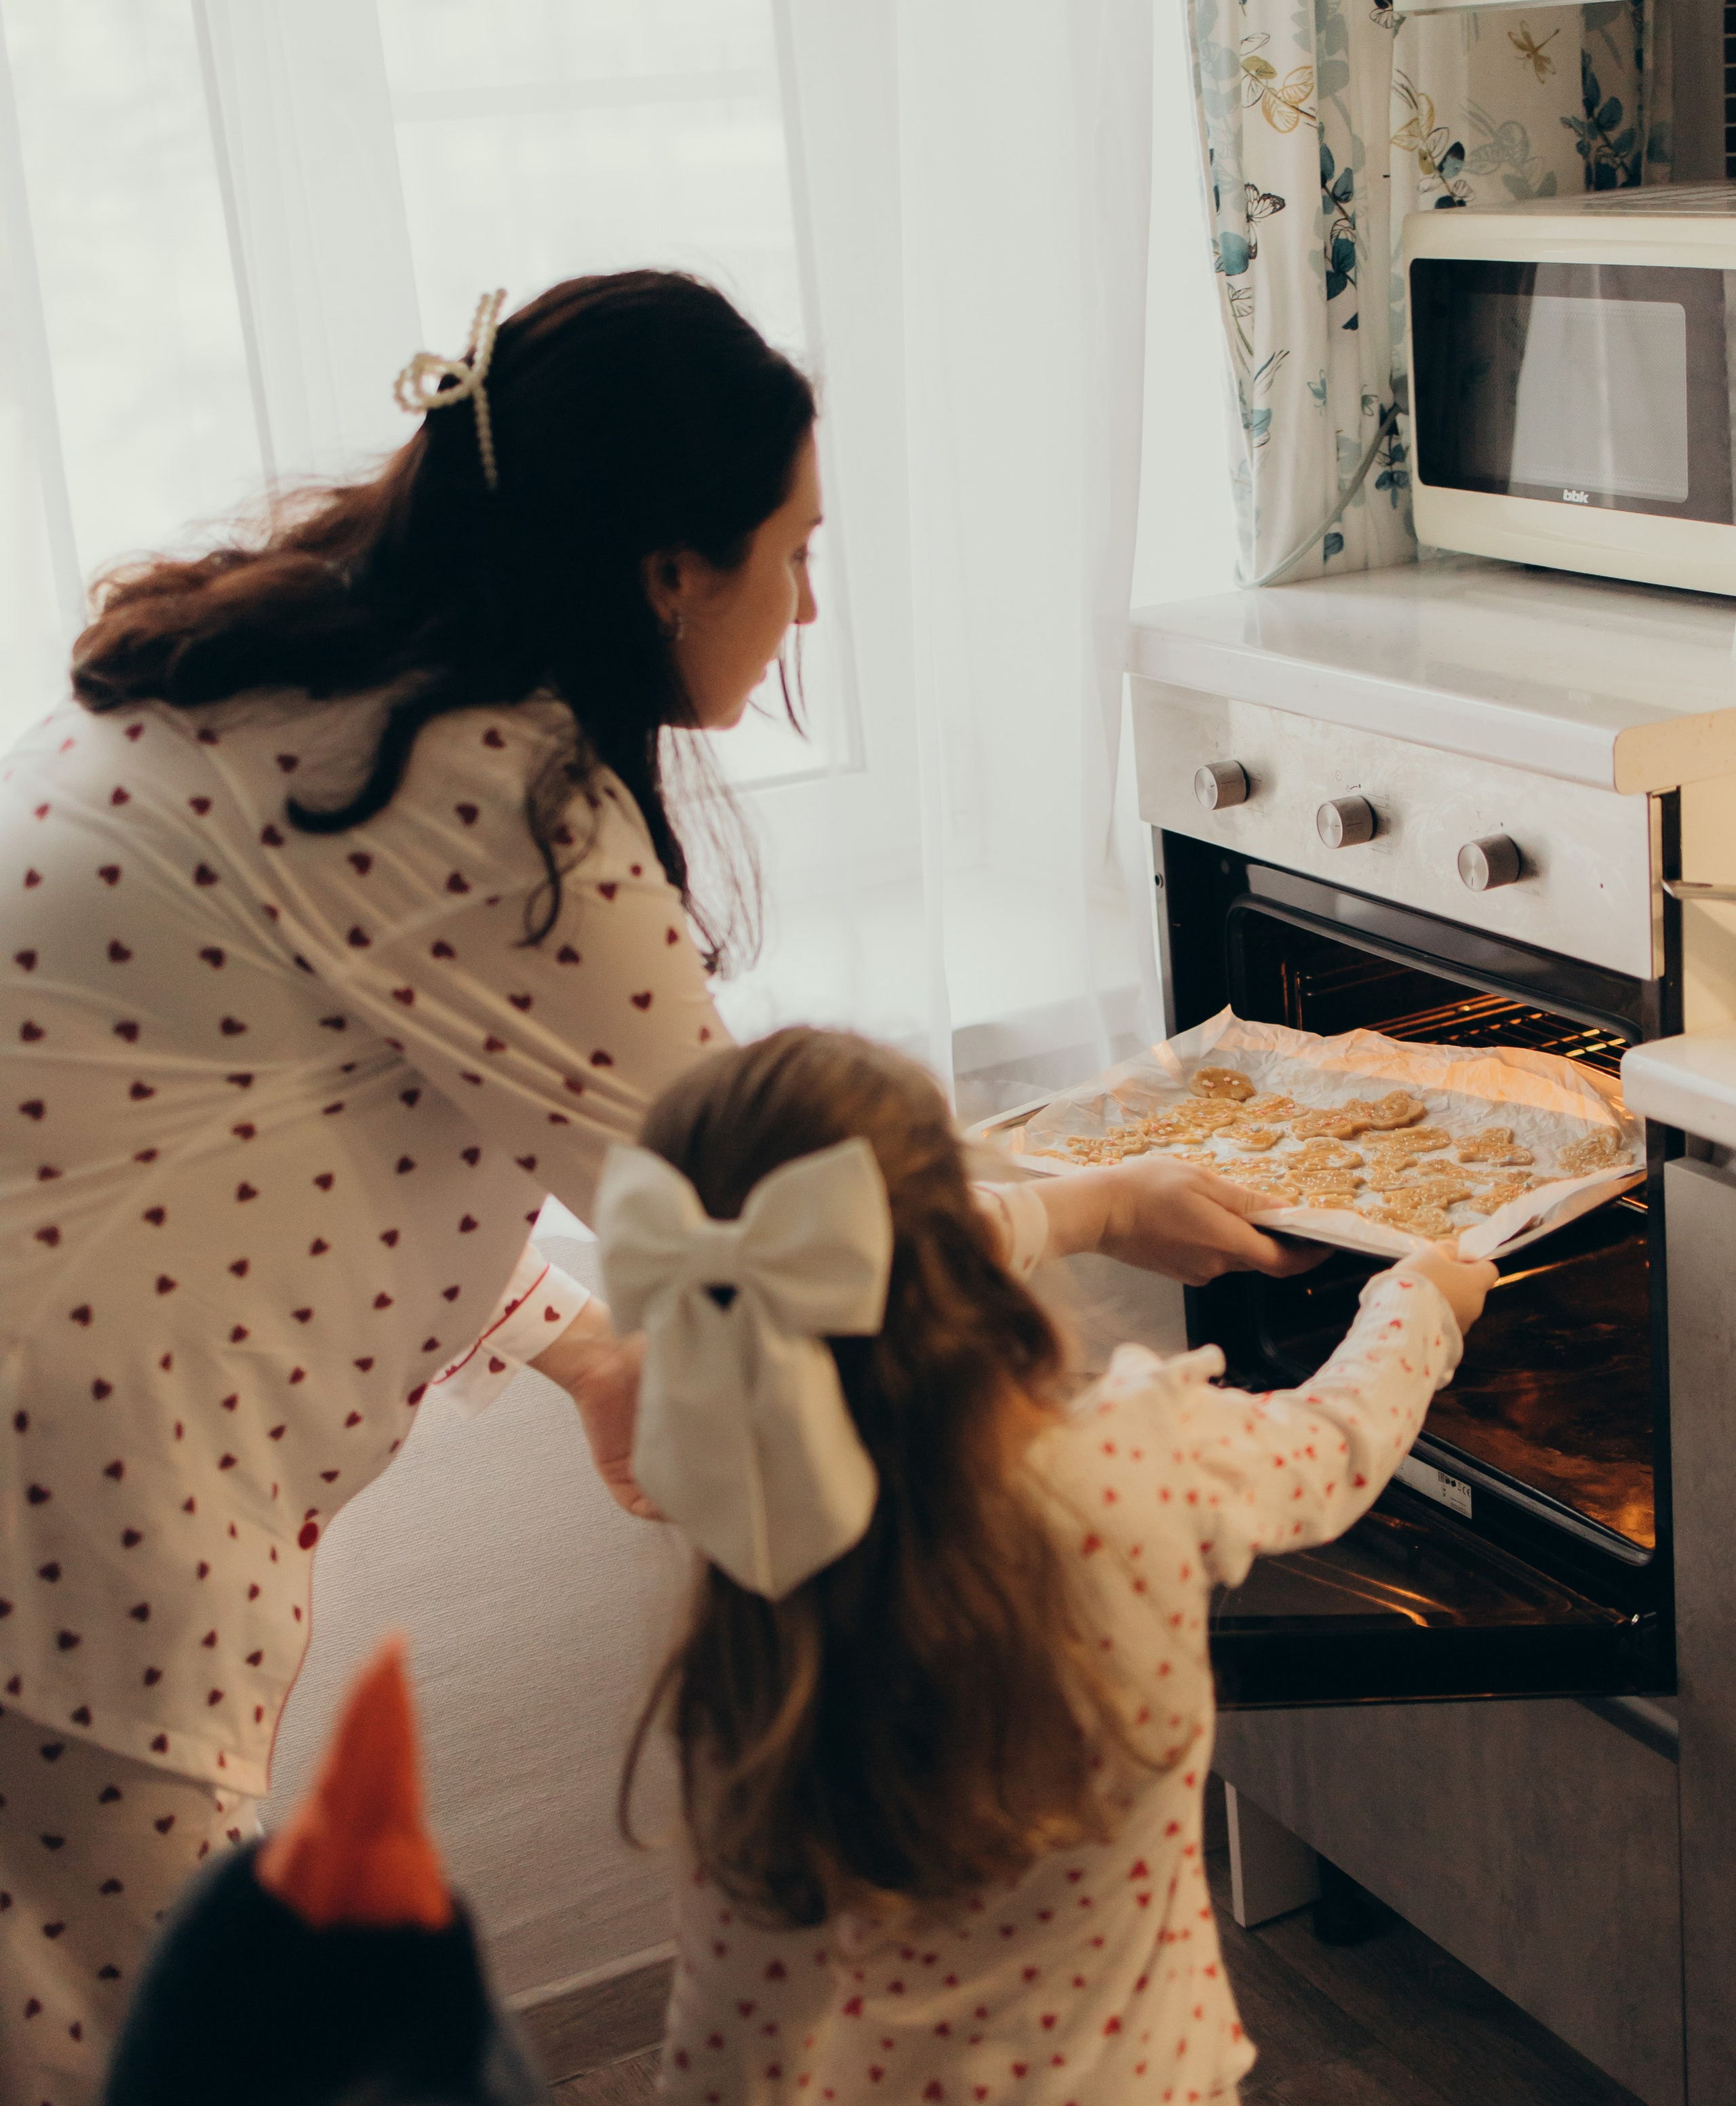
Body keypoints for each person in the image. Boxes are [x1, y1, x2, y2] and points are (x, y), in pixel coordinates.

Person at [0, 270, 1307, 2105]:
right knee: (156, 2044)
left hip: (81, 1455)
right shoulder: (489, 790)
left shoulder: (323, 668)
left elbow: (318, 1112)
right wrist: (1102, 1202)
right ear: (668, 571)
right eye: (795, 551)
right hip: (61, 1499)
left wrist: (578, 1346)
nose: (812, 603)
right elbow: (811, 1232)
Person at [599, 1026, 1499, 2105]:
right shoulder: (1131, 1464)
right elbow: (1337, 1441)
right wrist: (1419, 1305)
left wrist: (1108, 1203)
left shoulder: (757, 1625)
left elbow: (727, 2056)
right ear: (959, 1257)